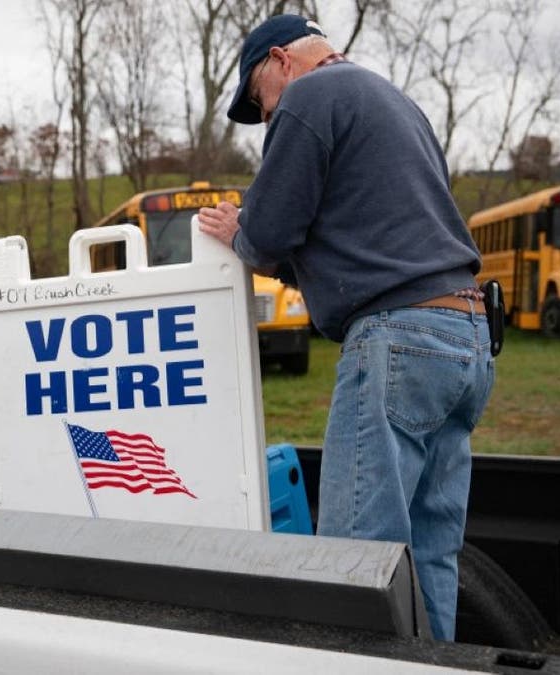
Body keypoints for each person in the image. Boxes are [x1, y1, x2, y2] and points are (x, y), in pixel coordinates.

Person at [197, 14, 494, 641]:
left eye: (259, 98)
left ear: (281, 60)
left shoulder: (311, 93)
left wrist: (239, 233)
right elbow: (371, 240)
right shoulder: (395, 101)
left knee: (358, 555)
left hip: (400, 338)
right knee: (430, 552)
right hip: (465, 335)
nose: (268, 117)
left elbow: (271, 231)